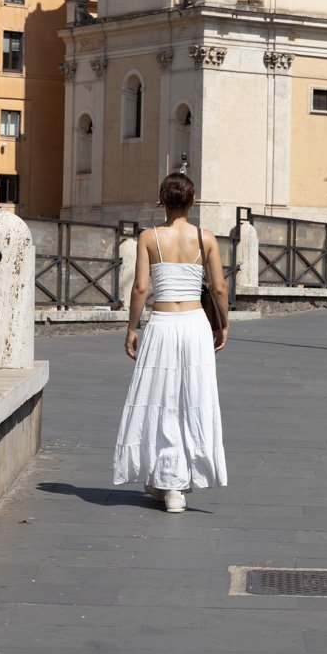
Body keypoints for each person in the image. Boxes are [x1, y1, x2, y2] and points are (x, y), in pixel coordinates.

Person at [113, 172, 228, 512]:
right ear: (192, 202)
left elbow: (140, 289)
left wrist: (132, 327)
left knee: (160, 399)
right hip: (194, 324)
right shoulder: (205, 238)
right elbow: (219, 288)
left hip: (161, 324)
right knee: (191, 398)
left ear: (162, 201)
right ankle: (174, 483)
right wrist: (223, 323)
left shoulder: (149, 237)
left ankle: (167, 481)